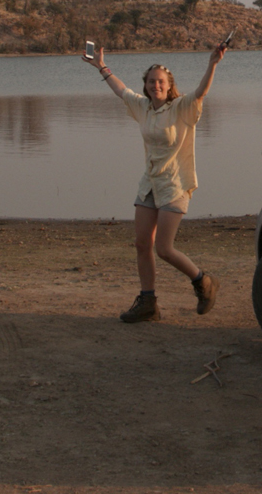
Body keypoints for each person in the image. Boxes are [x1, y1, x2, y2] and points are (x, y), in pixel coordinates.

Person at [85, 42, 227, 322]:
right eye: (151, 81)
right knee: (141, 244)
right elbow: (120, 90)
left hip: (175, 185)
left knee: (164, 249)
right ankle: (148, 303)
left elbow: (202, 92)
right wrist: (101, 66)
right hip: (149, 184)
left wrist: (212, 63)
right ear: (146, 85)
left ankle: (203, 281)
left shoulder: (182, 107)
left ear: (169, 84)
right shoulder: (143, 108)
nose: (155, 86)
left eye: (160, 81)